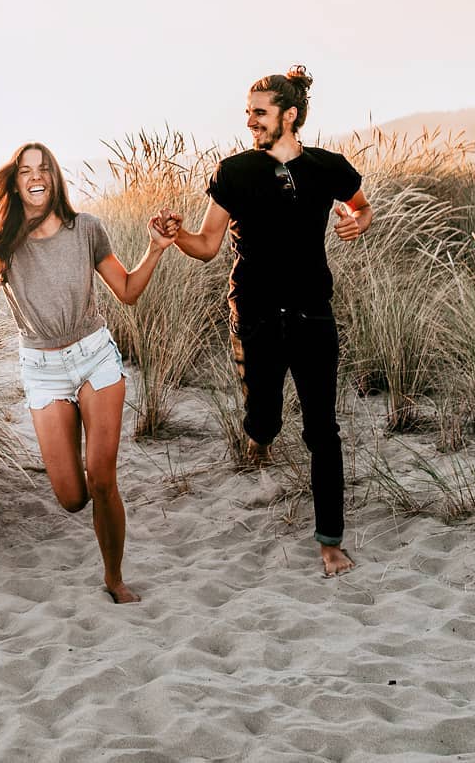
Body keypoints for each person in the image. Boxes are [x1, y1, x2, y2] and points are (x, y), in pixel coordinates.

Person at [0, 142, 175, 603]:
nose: (36, 176)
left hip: (95, 357)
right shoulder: (1, 245)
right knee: (71, 497)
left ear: (55, 177)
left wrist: (155, 249)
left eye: (43, 168)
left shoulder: (87, 230)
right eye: (25, 171)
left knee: (103, 479)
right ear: (15, 181)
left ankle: (114, 578)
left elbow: (126, 291)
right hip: (42, 370)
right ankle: (89, 496)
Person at [162, 66, 372, 577]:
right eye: (248, 112)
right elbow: (208, 246)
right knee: (266, 418)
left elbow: (361, 208)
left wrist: (356, 224)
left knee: (323, 430)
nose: (250, 120)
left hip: (312, 313)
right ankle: (258, 431)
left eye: (260, 111)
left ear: (290, 115)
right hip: (254, 313)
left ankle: (329, 542)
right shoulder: (233, 172)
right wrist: (177, 235)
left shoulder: (328, 168)